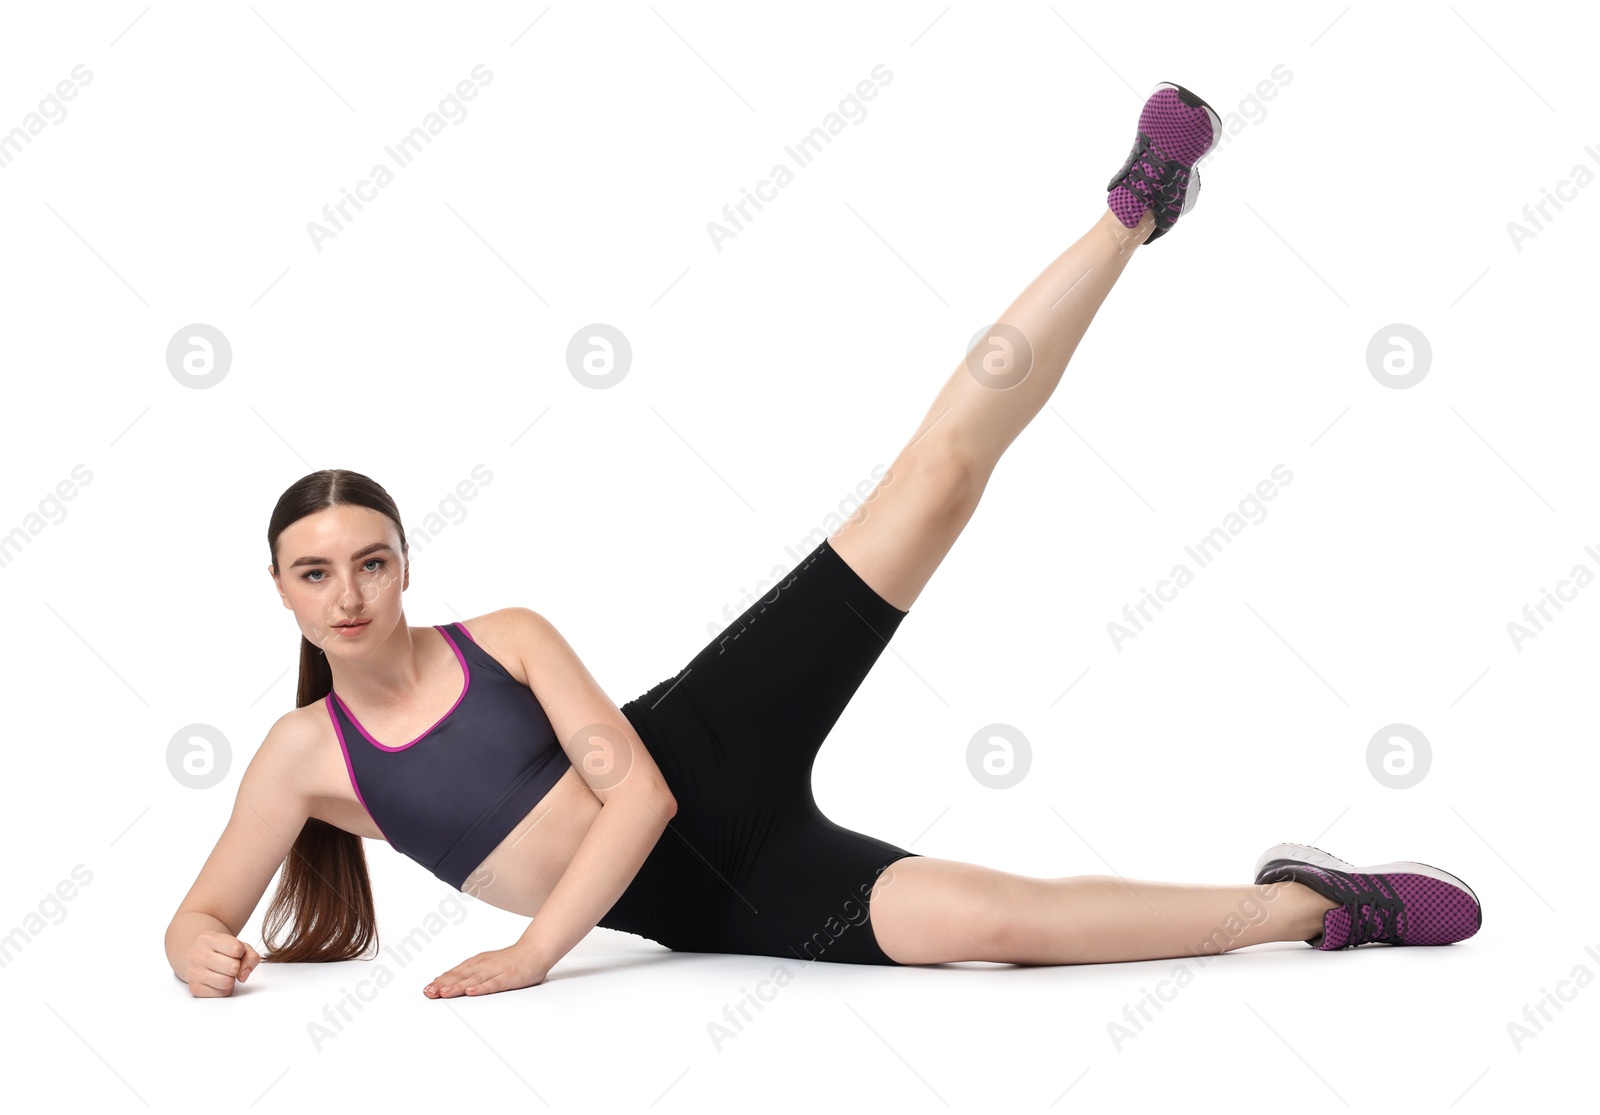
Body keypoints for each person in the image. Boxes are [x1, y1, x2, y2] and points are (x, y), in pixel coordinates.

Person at [165, 82, 1481, 999]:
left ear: (405, 565)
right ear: (279, 591)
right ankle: (1320, 908)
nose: (348, 593)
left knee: (928, 488)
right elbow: (202, 911)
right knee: (1001, 925)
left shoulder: (502, 640)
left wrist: (530, 957)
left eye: (371, 560)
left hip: (705, 742)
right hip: (715, 904)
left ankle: (1132, 209)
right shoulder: (301, 761)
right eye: (315, 573)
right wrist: (194, 952)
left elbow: (644, 796)